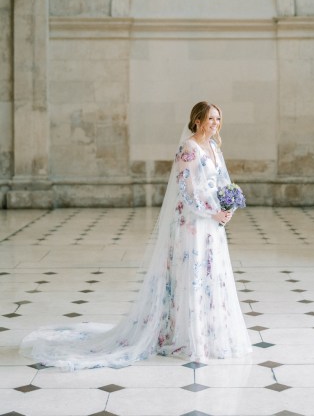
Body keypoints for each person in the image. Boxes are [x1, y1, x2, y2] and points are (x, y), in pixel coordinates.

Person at [20, 101, 252, 370]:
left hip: (213, 225)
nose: (215, 124)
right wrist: (212, 212)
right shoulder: (188, 149)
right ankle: (188, 338)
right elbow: (186, 192)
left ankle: (210, 337)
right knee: (192, 276)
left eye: (218, 119)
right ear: (197, 120)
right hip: (193, 224)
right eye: (210, 119)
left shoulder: (214, 148)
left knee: (211, 276)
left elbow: (225, 182)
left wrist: (228, 208)